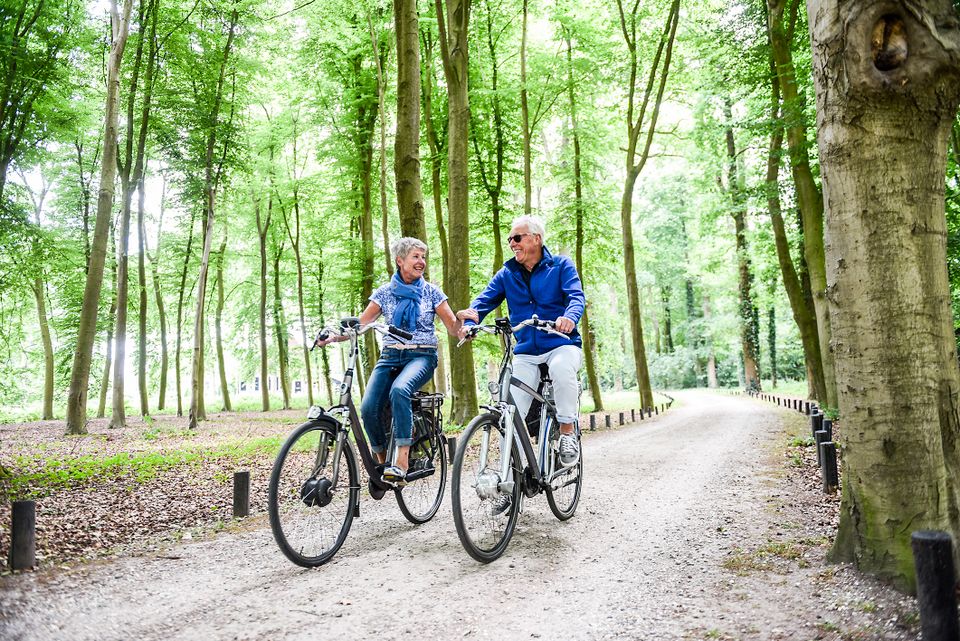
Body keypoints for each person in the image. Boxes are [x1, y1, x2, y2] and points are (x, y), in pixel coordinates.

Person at [320, 237, 460, 486]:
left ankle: (402, 461)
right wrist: (333, 336)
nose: (421, 262)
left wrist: (465, 322)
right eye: (416, 257)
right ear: (400, 260)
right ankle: (384, 463)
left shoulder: (432, 292)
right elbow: (360, 325)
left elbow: (452, 327)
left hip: (421, 355)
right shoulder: (384, 293)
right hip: (390, 356)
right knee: (368, 407)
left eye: (423, 257)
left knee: (399, 390)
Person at [457, 215, 585, 466]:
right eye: (509, 240)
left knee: (561, 368)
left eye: (517, 238)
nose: (512, 243)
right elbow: (482, 303)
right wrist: (470, 323)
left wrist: (569, 318)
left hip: (561, 344)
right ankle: (509, 481)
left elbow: (576, 298)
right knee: (509, 412)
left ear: (536, 239)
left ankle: (567, 431)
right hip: (526, 352)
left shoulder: (561, 266)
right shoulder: (507, 274)